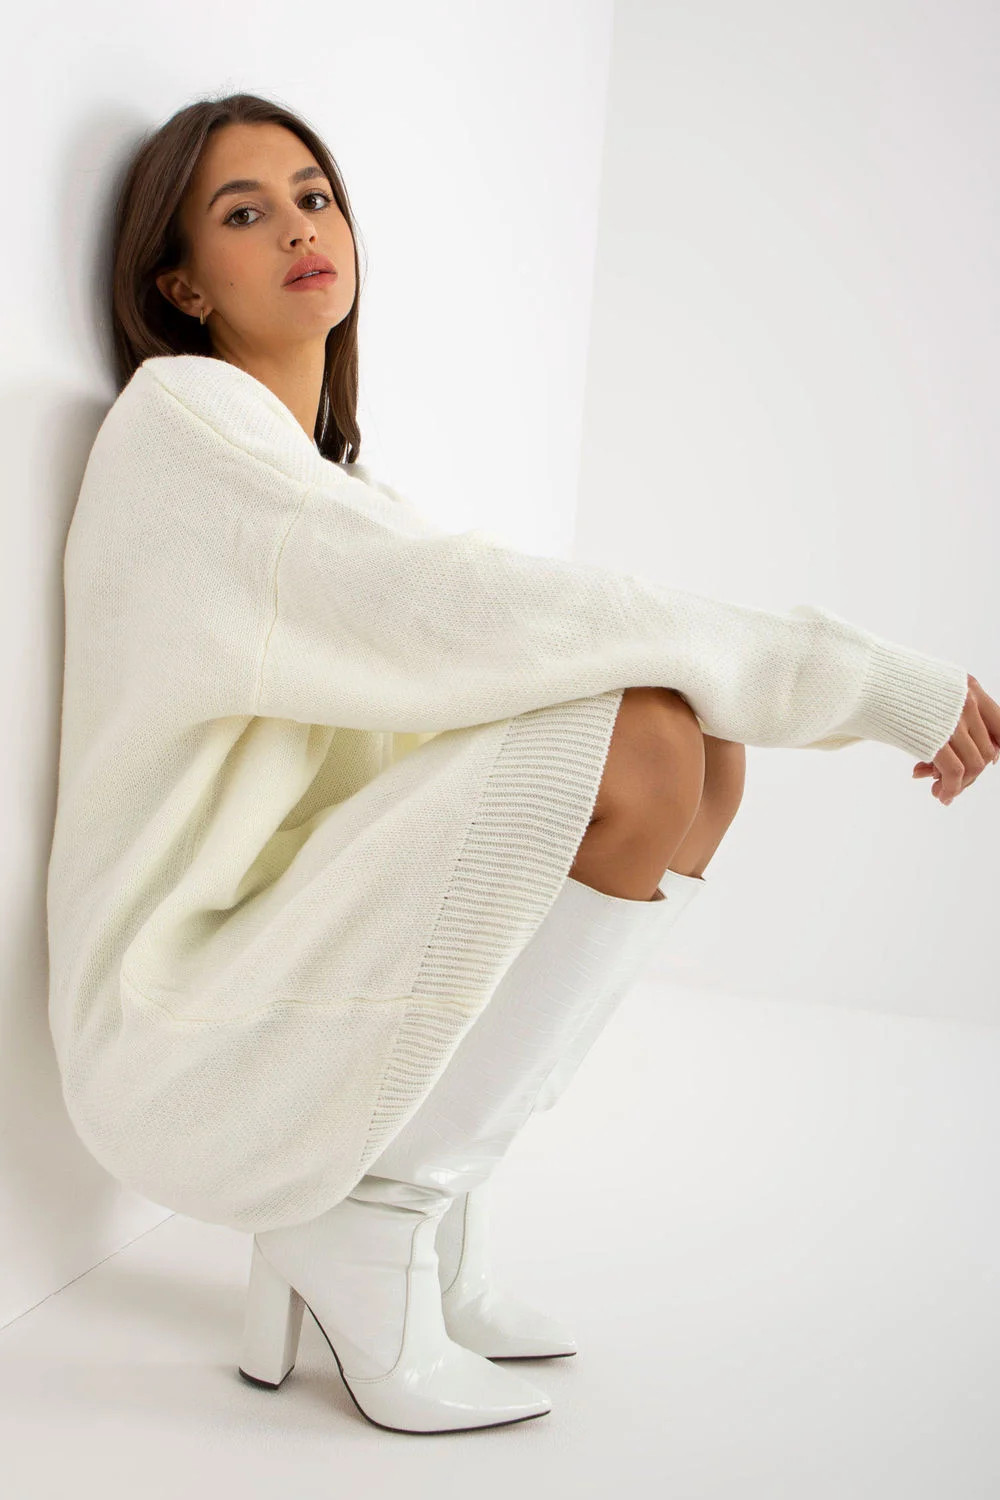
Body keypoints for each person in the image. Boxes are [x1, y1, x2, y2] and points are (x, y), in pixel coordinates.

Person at [48, 93, 999, 1437]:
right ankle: (368, 1214)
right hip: (179, 1026)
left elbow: (485, 635)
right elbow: (481, 609)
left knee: (704, 750)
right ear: (181, 284)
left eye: (315, 196)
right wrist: (857, 678)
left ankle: (419, 1202)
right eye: (244, 213)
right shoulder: (187, 426)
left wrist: (781, 686)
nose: (301, 229)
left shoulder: (330, 489)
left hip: (274, 970)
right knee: (644, 738)